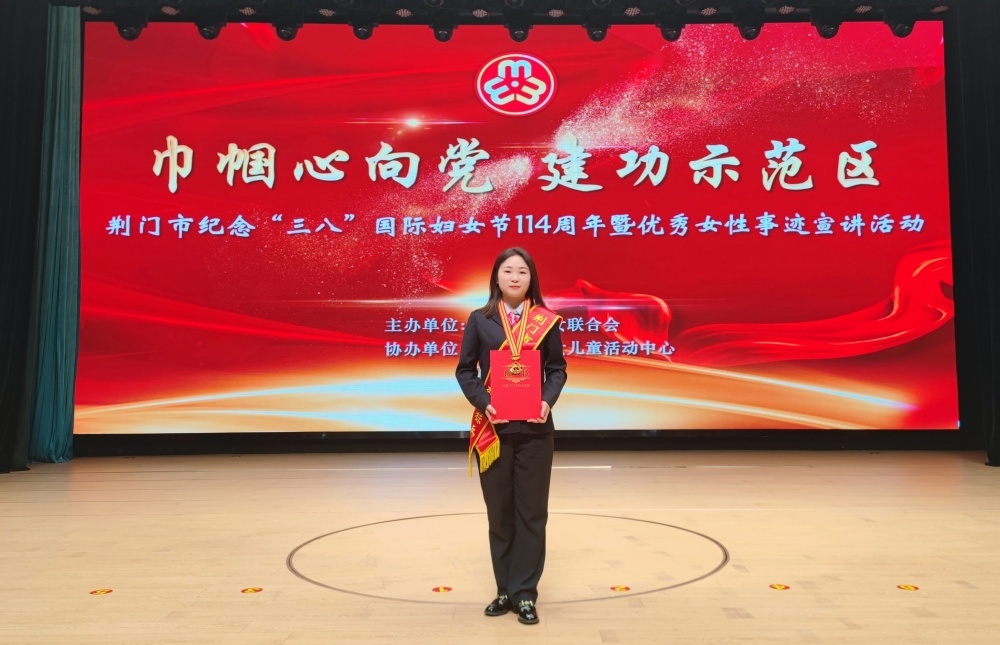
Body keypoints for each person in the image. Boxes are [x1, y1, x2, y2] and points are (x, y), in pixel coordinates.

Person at [455, 247, 567, 626]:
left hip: (536, 430)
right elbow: (465, 370)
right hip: (494, 431)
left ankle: (525, 594)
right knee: (500, 515)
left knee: (531, 514)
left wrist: (547, 400)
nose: (515, 277)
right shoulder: (480, 319)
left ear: (531, 278)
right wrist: (484, 402)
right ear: (497, 277)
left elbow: (557, 369)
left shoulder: (546, 321)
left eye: (522, 271)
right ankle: (504, 589)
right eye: (508, 270)